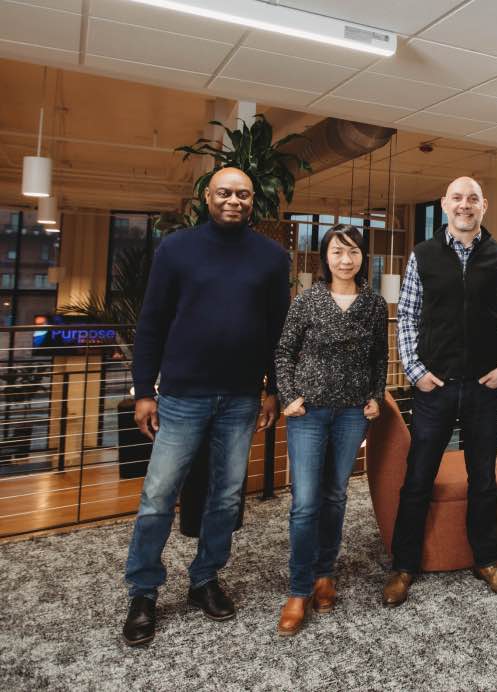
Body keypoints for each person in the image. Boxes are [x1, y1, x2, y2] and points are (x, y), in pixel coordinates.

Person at [121, 167, 290, 647]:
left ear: (253, 200)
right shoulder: (177, 249)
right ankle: (143, 591)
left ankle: (204, 579)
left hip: (240, 398)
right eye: (224, 192)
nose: (233, 200)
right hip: (181, 396)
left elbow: (278, 331)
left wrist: (272, 389)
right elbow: (152, 321)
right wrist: (143, 391)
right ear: (207, 196)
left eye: (243, 194)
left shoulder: (272, 258)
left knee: (225, 495)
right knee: (157, 496)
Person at [383, 176, 497, 606]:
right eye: (457, 198)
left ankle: (486, 560)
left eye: (472, 199)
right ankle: (404, 564)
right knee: (417, 479)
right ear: (445, 204)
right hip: (435, 387)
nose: (465, 205)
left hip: (485, 387)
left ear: (483, 206)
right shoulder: (423, 255)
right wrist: (414, 370)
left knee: (482, 478)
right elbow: (407, 316)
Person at [272, 225, 388, 636]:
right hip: (308, 413)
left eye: (353, 252)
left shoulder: (373, 305)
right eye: (337, 252)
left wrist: (377, 393)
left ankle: (325, 574)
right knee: (305, 502)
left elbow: (379, 356)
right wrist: (288, 396)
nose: (345, 259)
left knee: (336, 495)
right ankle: (299, 588)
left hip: (352, 413)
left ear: (362, 258)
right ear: (325, 258)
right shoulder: (307, 301)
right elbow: (283, 351)